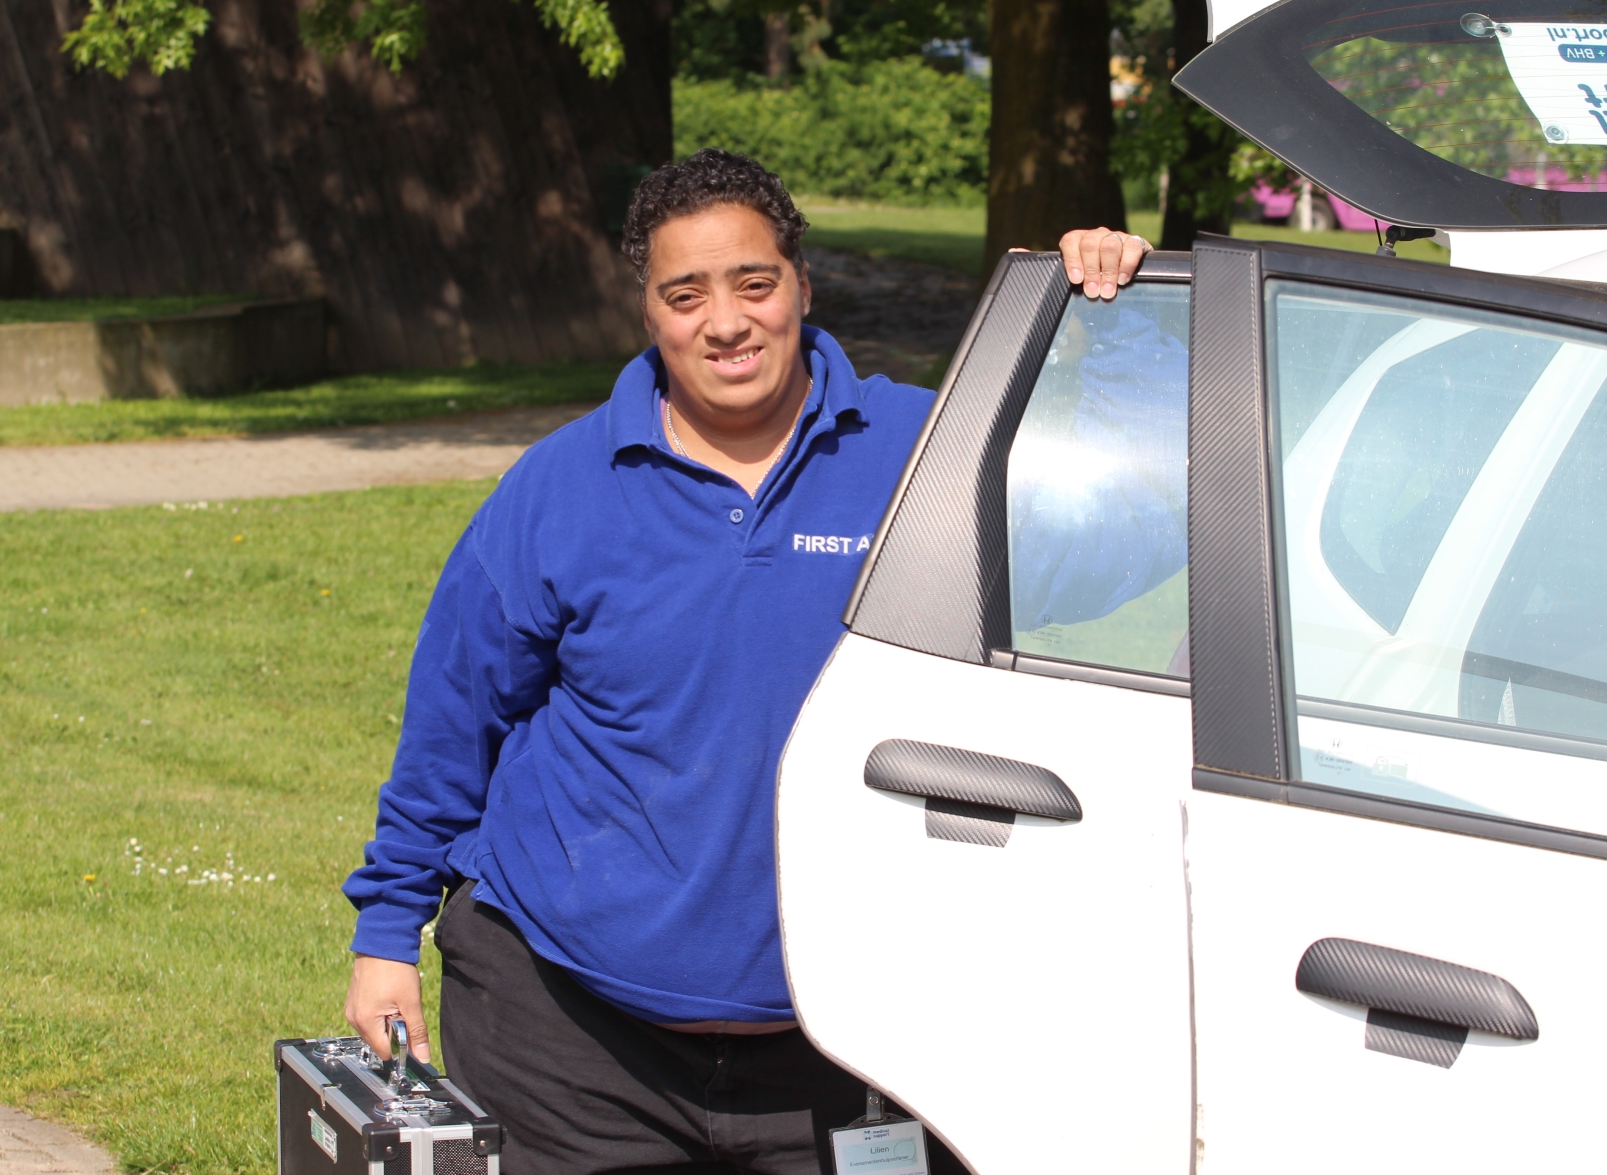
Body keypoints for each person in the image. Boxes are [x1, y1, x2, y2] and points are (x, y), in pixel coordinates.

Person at [341, 147, 1151, 1175]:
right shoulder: (558, 488)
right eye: (685, 294)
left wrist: (1119, 321)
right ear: (649, 312)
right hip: (570, 1034)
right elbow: (455, 721)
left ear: (802, 286)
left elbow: (1115, 541)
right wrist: (387, 930)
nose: (724, 322)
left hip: (858, 1045)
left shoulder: (923, 449)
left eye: (753, 283)